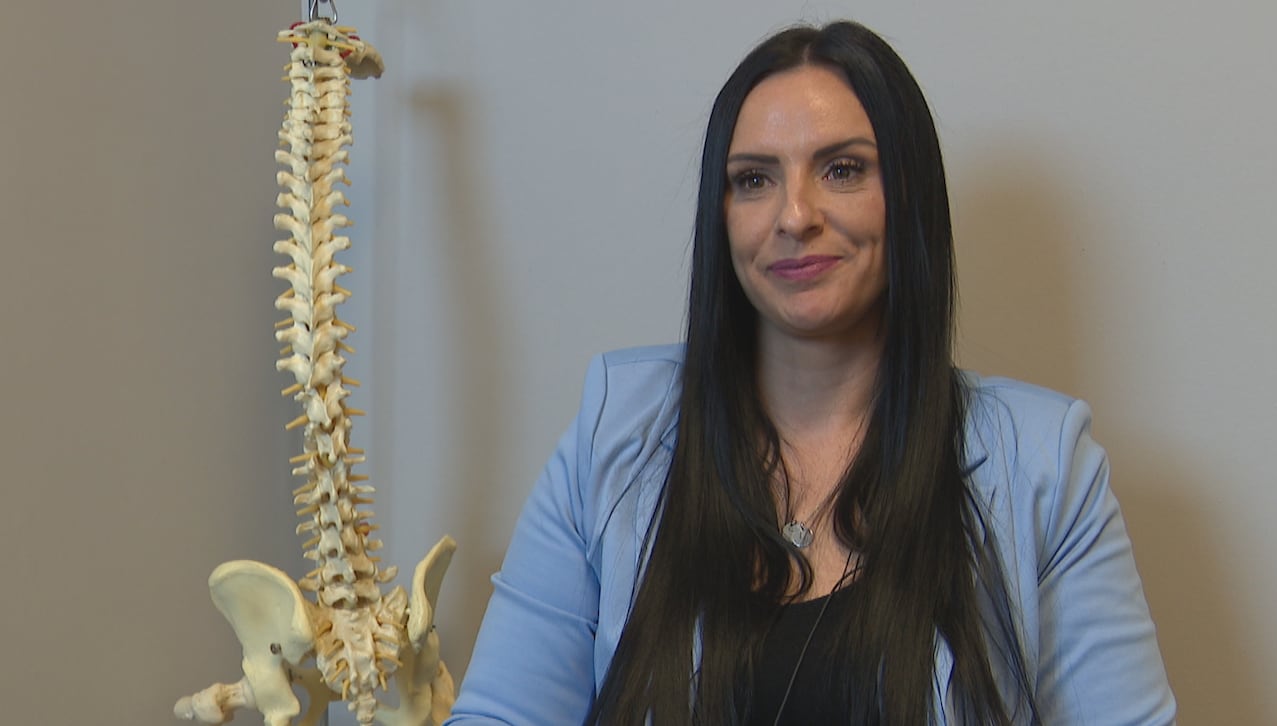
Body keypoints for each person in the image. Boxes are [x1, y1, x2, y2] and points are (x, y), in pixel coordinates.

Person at [444, 20, 1175, 725]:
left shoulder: (1046, 465)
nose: (794, 214)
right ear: (722, 214)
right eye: (754, 179)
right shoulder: (614, 431)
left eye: (843, 169)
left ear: (909, 199)